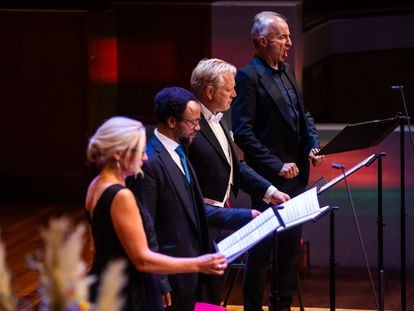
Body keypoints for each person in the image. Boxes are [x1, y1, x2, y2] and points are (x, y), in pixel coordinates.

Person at [129, 86, 260, 311]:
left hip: (191, 272)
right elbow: (145, 227)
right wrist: (159, 281)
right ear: (172, 121)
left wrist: (246, 216)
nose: (198, 128)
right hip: (170, 276)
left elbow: (196, 210)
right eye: (192, 122)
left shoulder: (180, 153)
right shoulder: (150, 163)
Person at [231, 11, 325, 311]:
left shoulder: (286, 71)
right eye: (283, 37)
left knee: (289, 251)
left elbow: (304, 115)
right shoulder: (247, 77)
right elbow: (243, 133)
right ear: (262, 41)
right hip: (268, 179)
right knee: (260, 253)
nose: (289, 43)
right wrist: (276, 165)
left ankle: (281, 307)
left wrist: (313, 144)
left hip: (297, 177)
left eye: (289, 36)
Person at [85, 116, 227, 311]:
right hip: (127, 290)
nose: (145, 158)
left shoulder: (95, 185)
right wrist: (197, 264)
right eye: (141, 151)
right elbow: (142, 259)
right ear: (118, 153)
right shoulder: (122, 196)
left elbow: (96, 246)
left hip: (105, 282)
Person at [188, 58, 291, 304]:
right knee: (200, 295)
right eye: (229, 89)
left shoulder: (219, 118)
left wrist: (270, 190)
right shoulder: (190, 126)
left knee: (214, 292)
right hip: (199, 223)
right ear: (210, 92)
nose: (235, 94)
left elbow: (236, 166)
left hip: (220, 219)